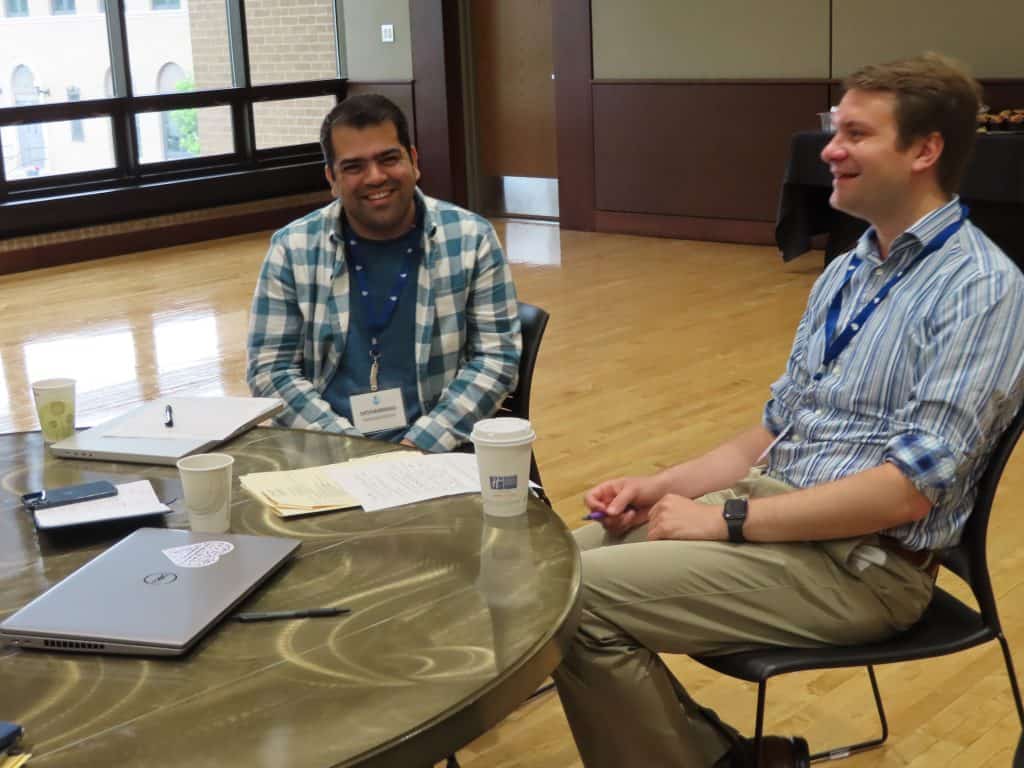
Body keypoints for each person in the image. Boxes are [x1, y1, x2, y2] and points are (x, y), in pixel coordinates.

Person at [553, 53, 1024, 768]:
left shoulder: (982, 289)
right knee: (541, 574)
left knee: (572, 602)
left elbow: (905, 493)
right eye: (836, 130)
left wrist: (726, 520)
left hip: (863, 568)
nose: (830, 150)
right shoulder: (850, 268)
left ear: (924, 150)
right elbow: (773, 433)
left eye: (856, 134)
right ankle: (725, 760)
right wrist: (661, 486)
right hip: (777, 518)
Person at [247, 94, 521, 452]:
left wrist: (418, 446)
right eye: (354, 167)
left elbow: (496, 360)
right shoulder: (292, 248)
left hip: (437, 452)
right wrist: (348, 448)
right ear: (332, 178)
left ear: (414, 161)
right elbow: (270, 370)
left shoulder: (472, 239)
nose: (375, 177)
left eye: (389, 159)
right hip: (326, 452)